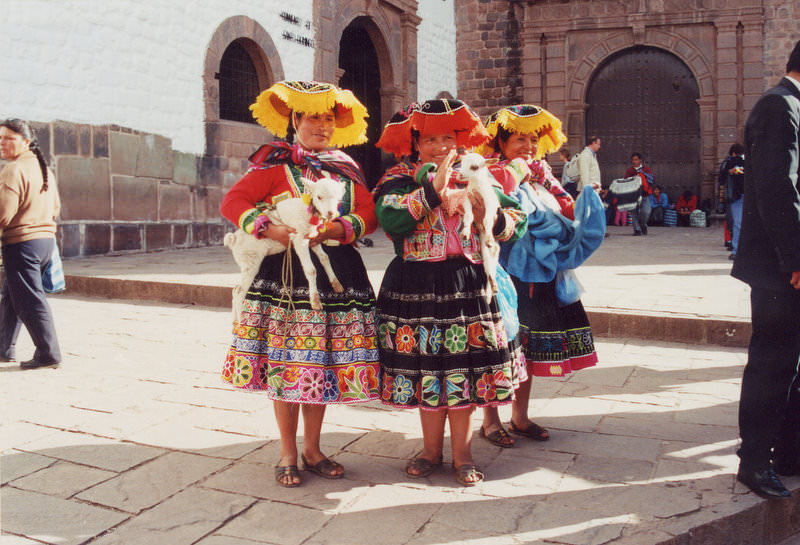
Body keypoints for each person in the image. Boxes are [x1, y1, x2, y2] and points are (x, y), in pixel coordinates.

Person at [219, 81, 380, 488]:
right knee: (289, 363)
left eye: (329, 119)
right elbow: (232, 203)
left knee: (319, 362)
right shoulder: (275, 166)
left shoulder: (343, 168)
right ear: (295, 119)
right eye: (313, 118)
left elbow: (368, 213)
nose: (322, 127)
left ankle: (313, 448)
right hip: (285, 281)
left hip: (335, 275)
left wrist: (339, 228)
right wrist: (266, 227)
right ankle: (288, 451)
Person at [372, 99, 527, 485]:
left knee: (464, 370)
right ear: (415, 144)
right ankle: (430, 451)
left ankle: (462, 455)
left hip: (466, 283)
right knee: (427, 371)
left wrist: (485, 208)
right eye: (430, 140)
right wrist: (430, 192)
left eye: (447, 138)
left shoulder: (477, 173)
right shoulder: (400, 177)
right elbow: (388, 218)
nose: (440, 146)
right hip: (416, 286)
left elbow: (516, 222)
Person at [478, 104, 604, 448]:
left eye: (533, 140)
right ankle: (490, 420)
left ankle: (520, 416)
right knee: (502, 346)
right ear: (500, 141)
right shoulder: (490, 170)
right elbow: (495, 195)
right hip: (506, 272)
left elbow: (564, 202)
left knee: (528, 348)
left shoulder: (542, 171)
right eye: (519, 139)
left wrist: (585, 208)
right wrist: (518, 169)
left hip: (543, 271)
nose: (528, 147)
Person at [731, 41, 800, 500]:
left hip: (787, 262)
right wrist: (797, 257)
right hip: (782, 266)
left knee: (791, 362)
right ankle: (754, 461)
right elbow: (779, 187)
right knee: (773, 363)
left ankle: (791, 452)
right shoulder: (780, 106)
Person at [0, 118, 62, 370]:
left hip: (22, 244)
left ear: (26, 141)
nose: (3, 143)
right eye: (0, 138)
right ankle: (4, 347)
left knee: (30, 300)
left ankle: (48, 353)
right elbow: (56, 207)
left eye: (9, 138)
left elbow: (3, 213)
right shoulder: (42, 167)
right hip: (44, 243)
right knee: (12, 296)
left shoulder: (14, 170)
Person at [719, 144, 745, 259]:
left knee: (737, 223)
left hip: (736, 196)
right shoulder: (751, 161)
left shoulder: (728, 162)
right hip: (749, 196)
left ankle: (736, 250)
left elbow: (721, 179)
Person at [624, 152, 654, 236]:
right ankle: (637, 229)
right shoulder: (630, 170)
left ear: (640, 160)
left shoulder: (646, 169)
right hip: (633, 194)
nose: (634, 161)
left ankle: (643, 225)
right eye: (633, 160)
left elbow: (651, 180)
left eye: (636, 159)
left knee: (645, 212)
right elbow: (626, 180)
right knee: (634, 213)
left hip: (645, 194)